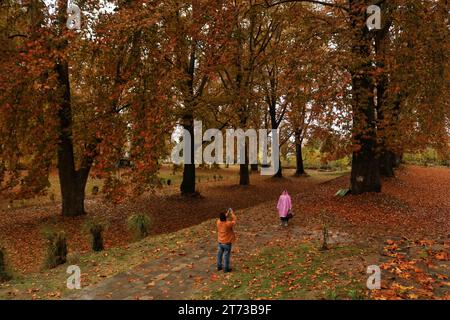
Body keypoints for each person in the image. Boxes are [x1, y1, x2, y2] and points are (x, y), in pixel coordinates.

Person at [216, 208, 237, 273]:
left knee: (219, 255)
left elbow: (222, 218)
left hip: (220, 242)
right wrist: (232, 214)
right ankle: (226, 269)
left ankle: (219, 267)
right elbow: (235, 220)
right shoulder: (228, 223)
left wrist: (227, 213)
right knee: (226, 256)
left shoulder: (218, 222)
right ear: (225, 218)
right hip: (227, 243)